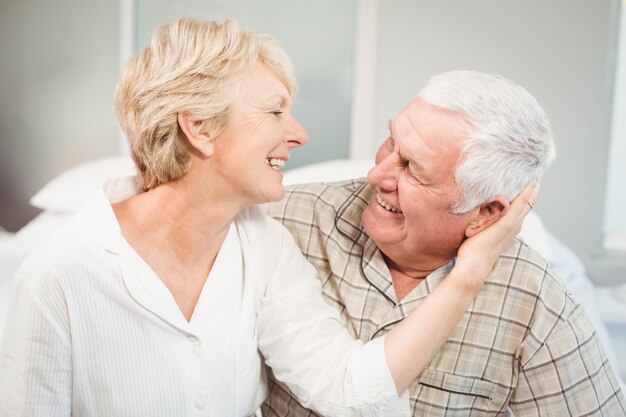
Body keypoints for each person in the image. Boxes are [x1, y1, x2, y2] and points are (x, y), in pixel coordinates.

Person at [0, 20, 537, 417]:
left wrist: (469, 273)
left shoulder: (262, 247)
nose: (299, 132)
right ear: (201, 128)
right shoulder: (60, 273)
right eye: (275, 110)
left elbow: (348, 391)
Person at [263, 71, 626, 416]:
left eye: (412, 168)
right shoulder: (283, 220)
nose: (376, 174)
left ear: (485, 214)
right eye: (391, 141)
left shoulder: (534, 299)